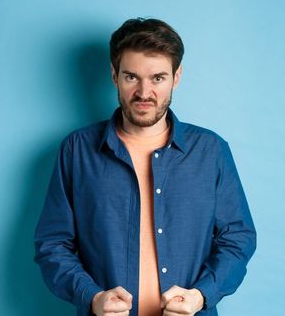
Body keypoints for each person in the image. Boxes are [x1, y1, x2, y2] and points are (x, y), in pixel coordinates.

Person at [34, 17, 257, 316]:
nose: (143, 92)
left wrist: (201, 296)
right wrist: (91, 297)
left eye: (157, 78)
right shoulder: (77, 150)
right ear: (114, 76)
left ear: (176, 77)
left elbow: (238, 239)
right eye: (131, 77)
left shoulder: (211, 151)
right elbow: (52, 244)